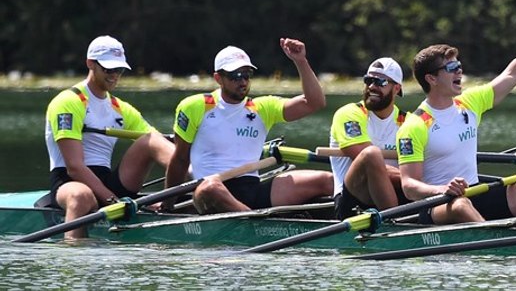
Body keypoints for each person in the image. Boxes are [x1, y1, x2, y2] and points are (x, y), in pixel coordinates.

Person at [395, 0, 516, 224]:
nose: (459, 70)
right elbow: (409, 186)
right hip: (440, 204)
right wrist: (443, 189)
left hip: (477, 192)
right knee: (461, 205)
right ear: (431, 79)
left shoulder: (468, 103)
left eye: (459, 65)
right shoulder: (414, 126)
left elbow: (515, 73)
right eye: (451, 68)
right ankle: (495, 247)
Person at [163, 39, 332, 214]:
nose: (242, 81)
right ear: (218, 78)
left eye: (246, 75)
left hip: (251, 189)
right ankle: (255, 225)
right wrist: (168, 204)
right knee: (209, 187)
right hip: (209, 192)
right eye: (235, 76)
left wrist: (300, 61)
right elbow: (181, 159)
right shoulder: (195, 106)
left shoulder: (263, 108)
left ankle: (354, 224)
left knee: (327, 180)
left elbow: (315, 102)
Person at [43, 35, 173, 237]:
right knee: (81, 196)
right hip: (69, 182)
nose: (114, 75)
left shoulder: (120, 108)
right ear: (90, 64)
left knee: (151, 141)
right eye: (108, 69)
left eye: (119, 70)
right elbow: (75, 167)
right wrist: (114, 201)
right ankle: (74, 260)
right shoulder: (68, 102)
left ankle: (197, 186)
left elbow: (158, 142)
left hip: (107, 180)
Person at [329, 57, 410, 219]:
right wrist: (413, 180)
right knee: (371, 155)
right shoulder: (349, 114)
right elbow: (367, 160)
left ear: (396, 89)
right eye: (368, 80)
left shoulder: (408, 122)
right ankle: (395, 224)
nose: (372, 86)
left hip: (398, 192)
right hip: (353, 198)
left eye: (380, 82)